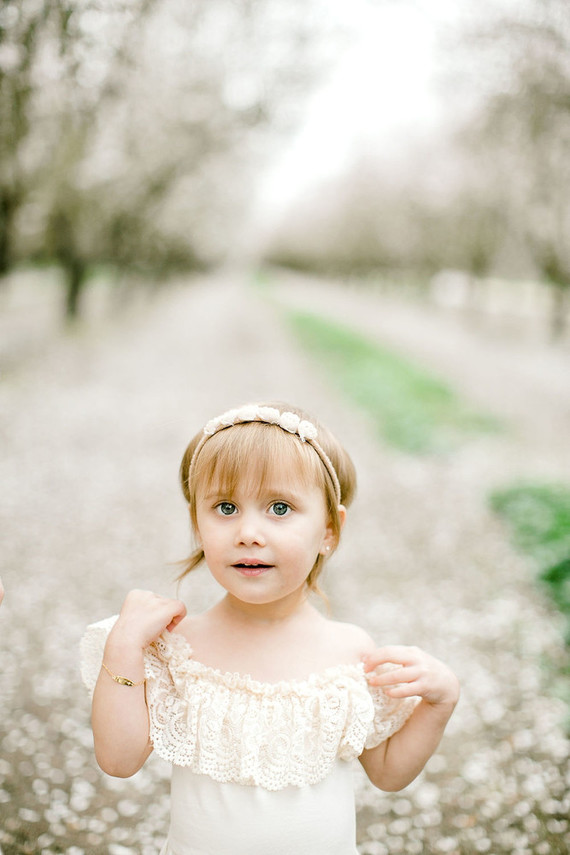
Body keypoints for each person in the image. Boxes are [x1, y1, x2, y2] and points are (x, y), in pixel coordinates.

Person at [81, 402, 459, 855]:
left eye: (279, 508)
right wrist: (124, 645)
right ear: (197, 527)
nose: (248, 532)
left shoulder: (349, 652)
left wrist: (439, 703)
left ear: (329, 531)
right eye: (225, 507)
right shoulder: (179, 648)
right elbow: (119, 761)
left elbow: (387, 772)